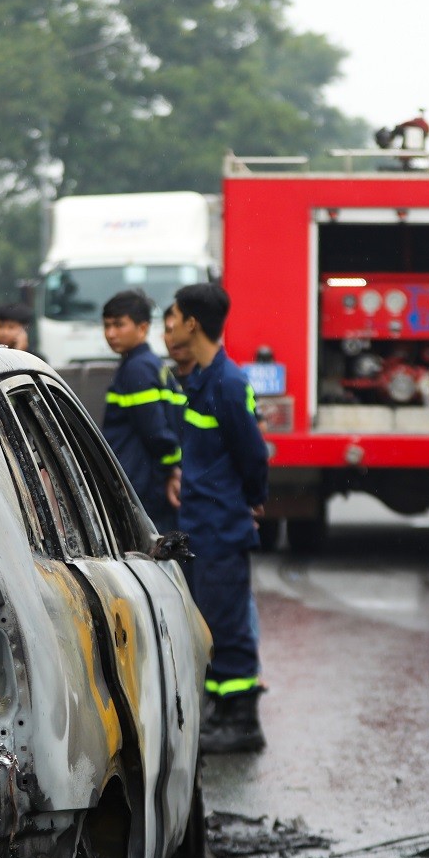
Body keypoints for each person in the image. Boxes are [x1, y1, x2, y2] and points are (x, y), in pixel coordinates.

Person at [164, 283, 269, 754]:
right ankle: (222, 713)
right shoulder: (204, 380)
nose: (171, 325)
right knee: (212, 624)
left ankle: (243, 721)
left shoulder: (228, 383)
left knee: (229, 627)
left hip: (223, 527)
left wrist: (253, 498)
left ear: (192, 323)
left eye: (176, 316)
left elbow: (253, 453)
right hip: (203, 525)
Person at [101, 288, 181, 532]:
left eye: (119, 325)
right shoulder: (146, 364)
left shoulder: (137, 369)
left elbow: (154, 431)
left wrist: (171, 470)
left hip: (143, 484)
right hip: (147, 480)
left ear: (143, 328)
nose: (110, 333)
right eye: (106, 325)